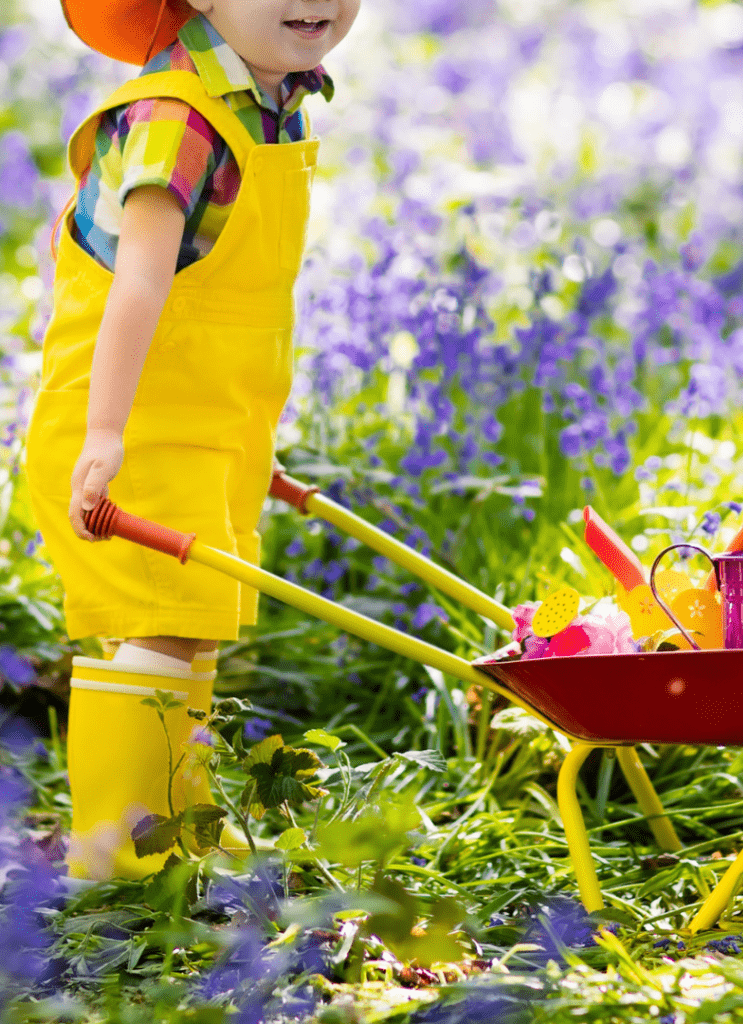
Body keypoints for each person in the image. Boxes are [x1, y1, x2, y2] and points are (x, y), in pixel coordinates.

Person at [26, 0, 359, 879]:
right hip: (127, 423)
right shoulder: (177, 115)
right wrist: (104, 436)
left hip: (204, 427)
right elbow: (138, 285)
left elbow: (224, 302)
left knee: (191, 631)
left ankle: (170, 834)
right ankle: (115, 856)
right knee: (158, 627)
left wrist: (250, 434)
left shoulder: (271, 100)